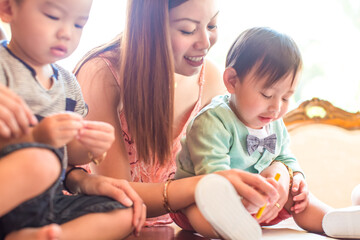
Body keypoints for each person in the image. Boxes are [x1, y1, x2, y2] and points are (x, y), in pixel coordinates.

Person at [73, 0, 284, 231]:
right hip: (100, 229)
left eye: (212, 25)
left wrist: (281, 175)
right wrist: (203, 186)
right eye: (188, 30)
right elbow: (118, 195)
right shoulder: (101, 75)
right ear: (149, 27)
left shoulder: (211, 77)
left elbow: (248, 155)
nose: (205, 43)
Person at [0, 0, 146, 239]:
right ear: (8, 9)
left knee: (127, 211)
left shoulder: (68, 85)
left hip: (50, 202)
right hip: (9, 191)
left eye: (79, 24)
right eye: (52, 16)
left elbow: (70, 158)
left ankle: (46, 236)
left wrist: (89, 148)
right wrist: (34, 137)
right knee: (43, 163)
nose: (66, 33)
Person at [174, 27, 332, 239]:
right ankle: (232, 230)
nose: (276, 107)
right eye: (267, 94)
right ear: (232, 81)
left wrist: (297, 179)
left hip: (258, 204)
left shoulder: (274, 121)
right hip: (204, 196)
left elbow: (284, 157)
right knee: (200, 208)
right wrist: (241, 198)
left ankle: (333, 219)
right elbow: (213, 176)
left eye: (285, 98)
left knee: (300, 200)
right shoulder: (212, 121)